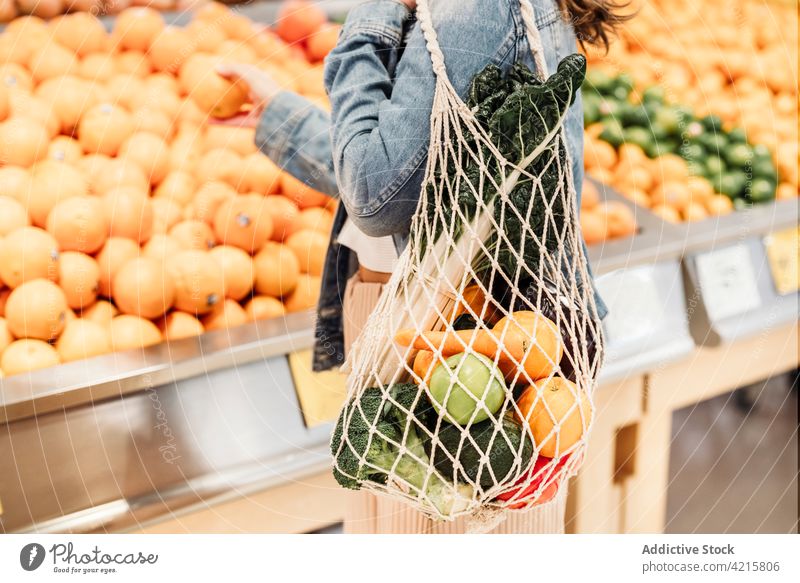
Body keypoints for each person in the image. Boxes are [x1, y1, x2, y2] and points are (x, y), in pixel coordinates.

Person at [218, 0, 628, 533]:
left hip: (448, 339)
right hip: (471, 339)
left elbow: (374, 196)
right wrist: (281, 114)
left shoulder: (475, 9)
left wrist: (371, 17)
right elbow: (416, 178)